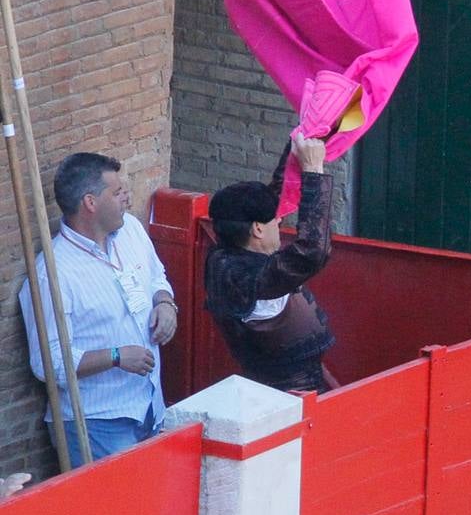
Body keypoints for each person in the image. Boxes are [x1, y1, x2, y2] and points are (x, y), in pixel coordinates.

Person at [19, 152, 178, 468]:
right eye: (118, 192)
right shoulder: (52, 274)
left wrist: (165, 302)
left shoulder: (130, 229)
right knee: (114, 514)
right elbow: (46, 363)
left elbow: (156, 275)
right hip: (95, 423)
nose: (127, 197)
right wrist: (116, 357)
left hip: (149, 406)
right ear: (90, 203)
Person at [204, 131, 338, 393]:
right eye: (273, 220)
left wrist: (305, 132)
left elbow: (275, 196)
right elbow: (312, 251)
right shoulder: (244, 278)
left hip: (303, 383)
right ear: (257, 229)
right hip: (287, 401)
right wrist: (314, 172)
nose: (279, 220)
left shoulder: (230, 254)